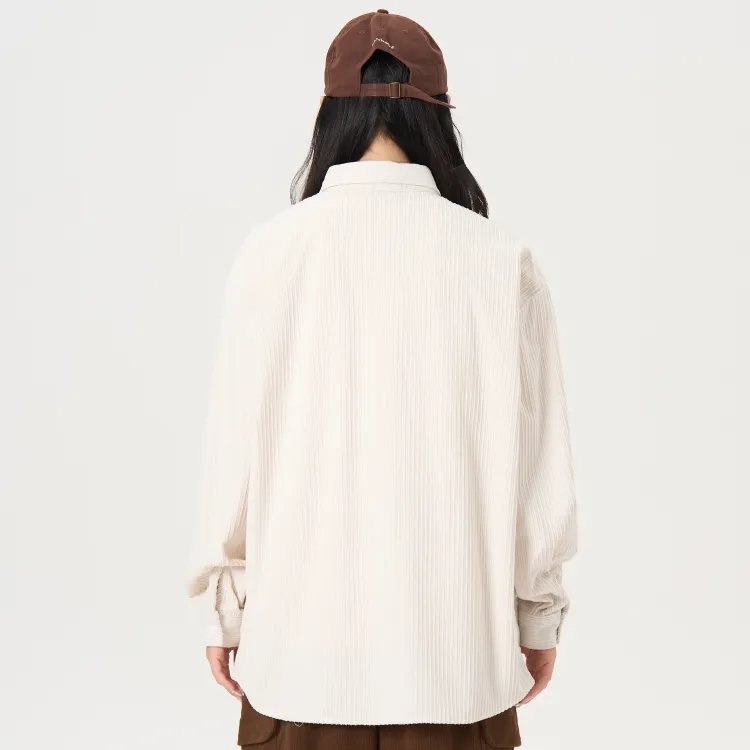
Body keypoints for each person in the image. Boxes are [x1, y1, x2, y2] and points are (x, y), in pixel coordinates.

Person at [187, 9, 577, 749]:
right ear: (442, 116)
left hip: (297, 667)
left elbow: (233, 456)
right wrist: (538, 617)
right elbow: (538, 474)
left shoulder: (269, 255)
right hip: (457, 670)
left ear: (330, 112)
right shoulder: (501, 261)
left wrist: (224, 609)